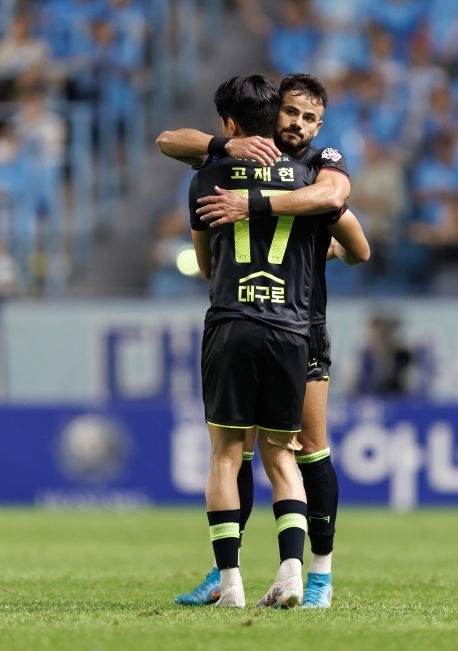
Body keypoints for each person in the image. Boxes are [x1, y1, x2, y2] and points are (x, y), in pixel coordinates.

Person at [158, 73, 369, 608]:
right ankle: (229, 571)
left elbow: (337, 205)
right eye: (290, 113)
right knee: (253, 451)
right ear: (272, 113)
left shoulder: (322, 164)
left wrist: (255, 207)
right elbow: (170, 140)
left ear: (320, 126)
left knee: (305, 448)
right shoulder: (240, 158)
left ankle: (317, 574)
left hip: (299, 321)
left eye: (309, 118)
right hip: (283, 324)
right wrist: (227, 144)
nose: (297, 124)